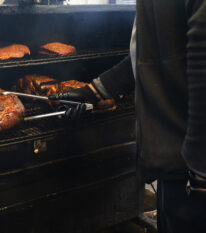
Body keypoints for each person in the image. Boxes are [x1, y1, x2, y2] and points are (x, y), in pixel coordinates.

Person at [49, 1, 206, 232]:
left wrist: (201, 172)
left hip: (195, 175)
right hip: (175, 168)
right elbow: (150, 53)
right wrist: (96, 90)